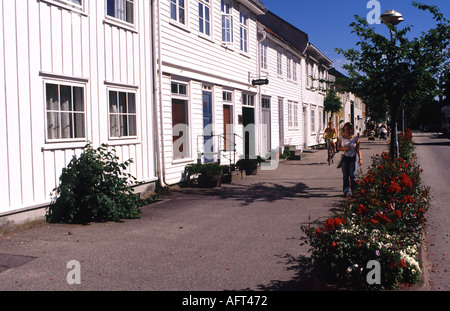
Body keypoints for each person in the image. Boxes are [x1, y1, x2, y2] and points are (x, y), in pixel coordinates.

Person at [337, 122, 362, 197]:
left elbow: (358, 149)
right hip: (345, 158)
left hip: (352, 158)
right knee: (345, 176)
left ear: (351, 129)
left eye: (348, 129)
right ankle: (346, 191)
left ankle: (354, 191)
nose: (347, 131)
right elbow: (338, 148)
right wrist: (343, 149)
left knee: (352, 175)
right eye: (346, 129)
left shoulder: (355, 138)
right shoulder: (341, 138)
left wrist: (360, 159)